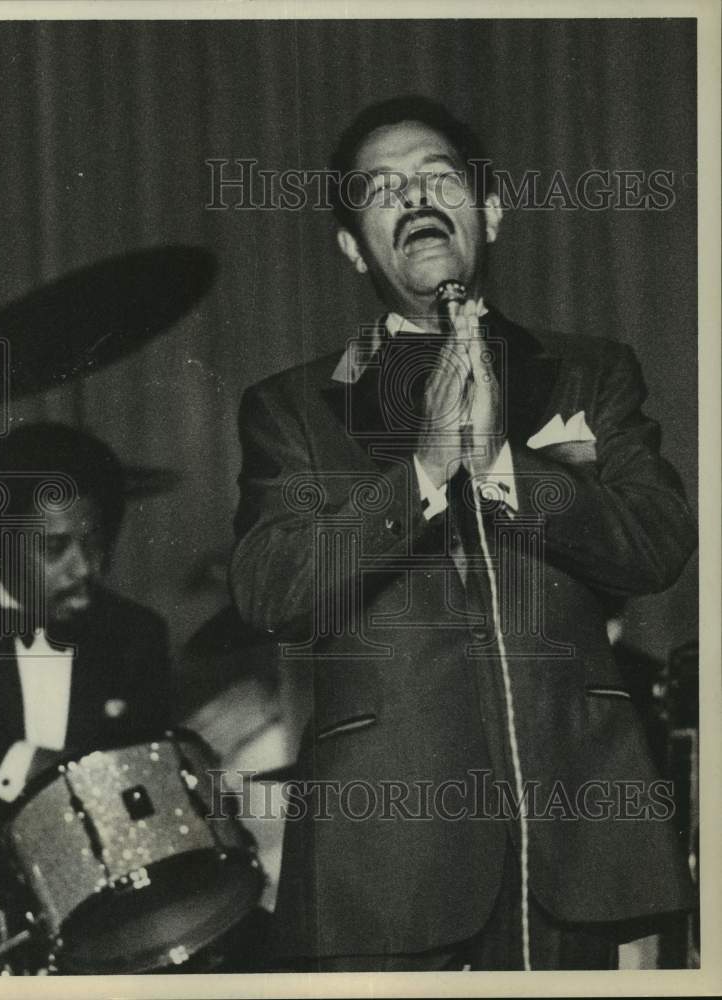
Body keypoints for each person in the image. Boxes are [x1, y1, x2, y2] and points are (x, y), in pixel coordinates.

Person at [229, 96, 697, 971]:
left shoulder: (591, 370)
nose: (414, 199)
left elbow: (659, 540)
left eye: (438, 177)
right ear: (352, 247)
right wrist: (424, 473)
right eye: (382, 189)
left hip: (575, 839)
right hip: (388, 865)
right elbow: (268, 589)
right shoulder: (291, 407)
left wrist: (505, 467)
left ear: (492, 210)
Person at [0, 422, 172, 964]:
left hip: (100, 923)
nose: (85, 568)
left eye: (97, 545)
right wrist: (25, 766)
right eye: (55, 548)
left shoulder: (137, 636)